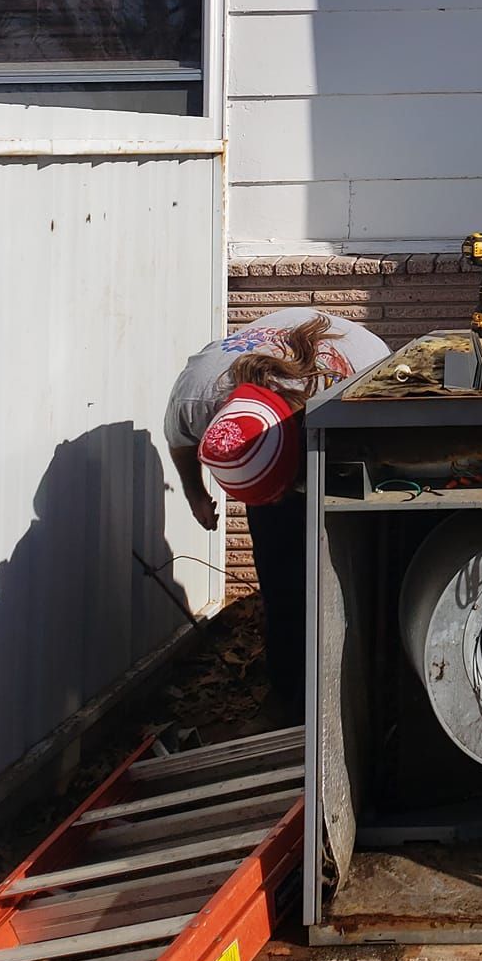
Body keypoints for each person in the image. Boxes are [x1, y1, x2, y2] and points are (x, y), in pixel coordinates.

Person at [165, 308, 389, 723]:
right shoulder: (196, 398)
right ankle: (288, 692)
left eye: (272, 492)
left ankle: (357, 687)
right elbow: (178, 442)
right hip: (274, 428)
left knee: (351, 571)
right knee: (280, 575)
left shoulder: (355, 386)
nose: (266, 504)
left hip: (338, 410)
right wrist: (196, 495)